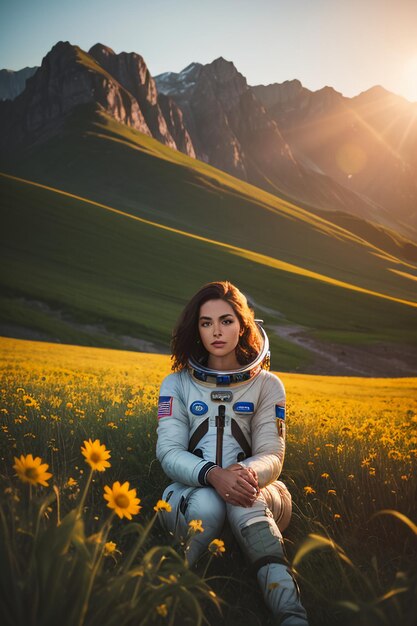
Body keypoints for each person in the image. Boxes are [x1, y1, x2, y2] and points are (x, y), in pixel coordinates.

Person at [156, 281, 309, 625]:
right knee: (210, 505)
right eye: (206, 322)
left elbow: (273, 454)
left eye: (226, 321)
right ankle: (164, 594)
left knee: (246, 502)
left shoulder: (268, 385)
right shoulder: (177, 384)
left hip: (253, 491)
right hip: (191, 494)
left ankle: (292, 616)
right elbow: (168, 452)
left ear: (243, 325)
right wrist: (213, 474)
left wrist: (243, 477)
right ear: (196, 329)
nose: (216, 331)